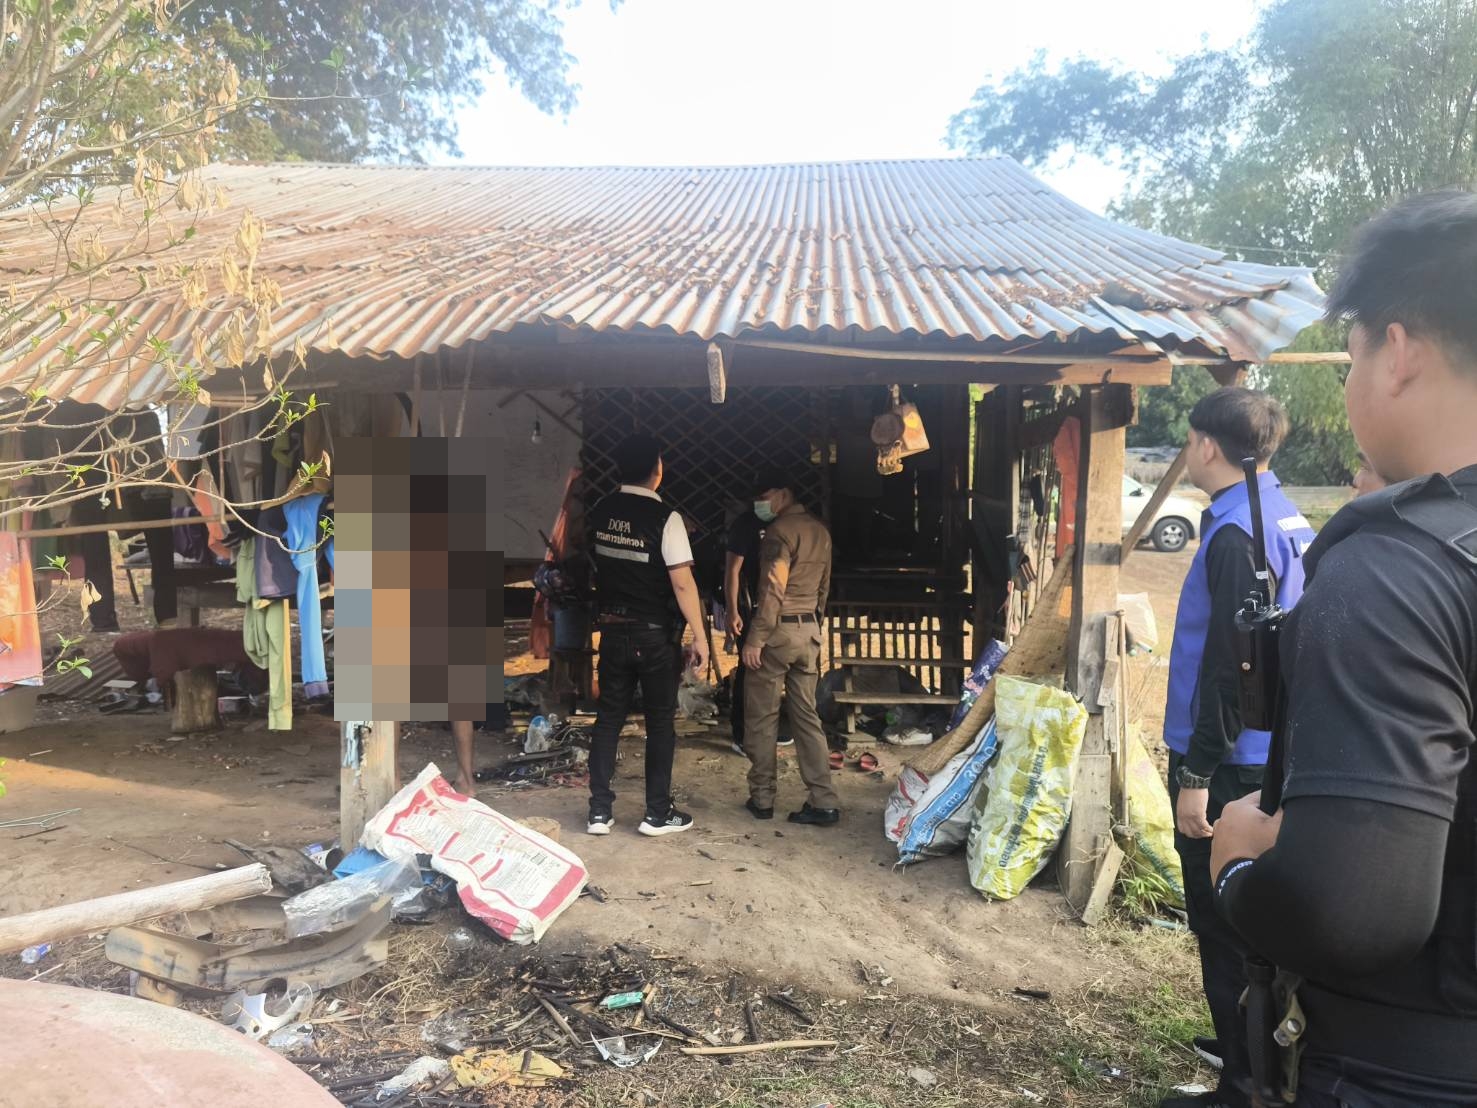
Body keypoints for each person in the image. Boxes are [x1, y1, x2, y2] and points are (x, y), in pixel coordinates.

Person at [1212, 191, 1477, 1106]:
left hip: (1410, 1070)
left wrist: (1242, 867)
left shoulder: (1397, 571)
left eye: (1352, 356)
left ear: (1396, 353)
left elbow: (1351, 911)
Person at [1160, 388, 1316, 1108]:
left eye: (1188, 441)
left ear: (1206, 446)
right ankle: (1252, 1054)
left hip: (1225, 759)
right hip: (1269, 749)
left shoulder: (1233, 533)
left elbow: (1230, 668)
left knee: (1223, 920)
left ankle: (1243, 1085)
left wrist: (1196, 772)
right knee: (1256, 918)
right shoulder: (1281, 513)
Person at [585, 433, 709, 838]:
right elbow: (683, 583)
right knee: (659, 723)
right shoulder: (667, 519)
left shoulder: (601, 511)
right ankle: (657, 813)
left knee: (608, 720)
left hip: (613, 632)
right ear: (657, 469)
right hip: (654, 637)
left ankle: (599, 812)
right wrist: (701, 636)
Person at [741, 468, 839, 826]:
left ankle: (762, 798)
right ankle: (823, 800)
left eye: (763, 496)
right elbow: (825, 588)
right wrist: (814, 626)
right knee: (807, 717)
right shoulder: (820, 531)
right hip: (808, 632)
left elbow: (772, 590)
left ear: (783, 493)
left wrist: (756, 638)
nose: (760, 504)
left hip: (777, 632)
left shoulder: (779, 532)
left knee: (762, 716)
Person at [724, 494, 792, 757]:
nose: (764, 502)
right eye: (760, 497)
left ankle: (767, 730)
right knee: (749, 669)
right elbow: (732, 570)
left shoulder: (786, 523)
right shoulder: (745, 524)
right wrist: (732, 610)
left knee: (773, 668)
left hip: (779, 606)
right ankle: (741, 734)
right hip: (751, 604)